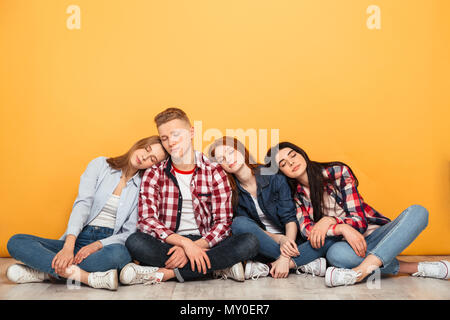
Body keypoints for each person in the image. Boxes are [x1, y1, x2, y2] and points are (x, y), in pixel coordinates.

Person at [267, 142, 449, 287]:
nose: (291, 162)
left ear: (302, 154)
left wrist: (332, 221)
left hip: (375, 236)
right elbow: (309, 232)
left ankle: (359, 273)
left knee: (418, 212)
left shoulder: (337, 172)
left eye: (293, 155)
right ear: (281, 172)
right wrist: (341, 229)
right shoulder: (295, 196)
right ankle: (415, 267)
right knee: (336, 254)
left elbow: (359, 221)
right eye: (283, 163)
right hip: (347, 247)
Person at [6, 136, 168, 290]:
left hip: (107, 245)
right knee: (16, 241)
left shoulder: (143, 187)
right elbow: (82, 204)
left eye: (152, 159)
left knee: (120, 256)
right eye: (146, 149)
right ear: (139, 144)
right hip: (77, 237)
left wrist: (97, 245)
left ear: (153, 166)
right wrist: (69, 246)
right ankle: (85, 277)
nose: (145, 157)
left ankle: (45, 272)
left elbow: (129, 231)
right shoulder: (100, 164)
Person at [121, 108, 259, 285]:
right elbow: (147, 220)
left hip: (206, 242)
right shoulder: (154, 172)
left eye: (176, 134)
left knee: (250, 242)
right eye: (164, 138)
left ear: (191, 132)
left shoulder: (214, 170)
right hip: (169, 243)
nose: (170, 142)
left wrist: (195, 247)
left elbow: (223, 223)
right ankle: (217, 267)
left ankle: (167, 273)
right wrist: (185, 245)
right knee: (135, 242)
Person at [209, 136, 341, 280]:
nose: (228, 159)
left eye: (230, 152)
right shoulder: (231, 191)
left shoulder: (272, 176)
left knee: (329, 239)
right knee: (238, 224)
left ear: (241, 150)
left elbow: (290, 219)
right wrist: (279, 239)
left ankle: (274, 265)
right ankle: (303, 262)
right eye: (221, 159)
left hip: (293, 241)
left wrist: (285, 255)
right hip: (263, 244)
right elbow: (250, 229)